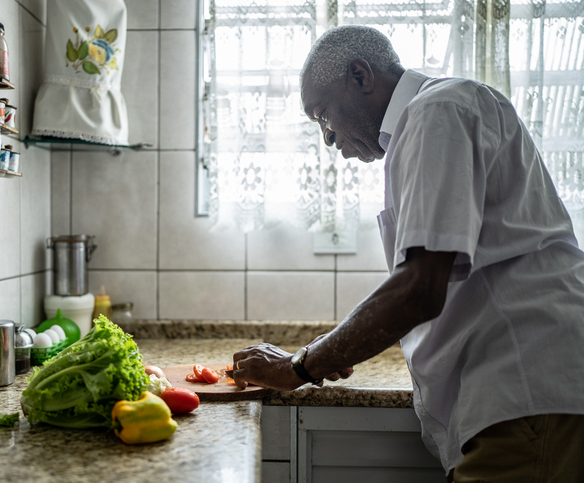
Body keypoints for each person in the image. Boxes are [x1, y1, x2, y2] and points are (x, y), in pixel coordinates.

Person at [230, 25, 584, 481]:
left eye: (323, 115)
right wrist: (339, 346)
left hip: (526, 390)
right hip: (525, 394)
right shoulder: (431, 120)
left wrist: (301, 365)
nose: (328, 139)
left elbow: (418, 288)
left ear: (361, 76)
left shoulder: (438, 111)